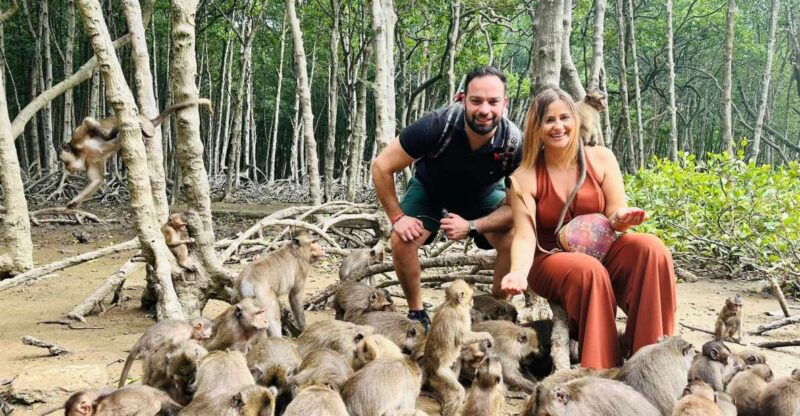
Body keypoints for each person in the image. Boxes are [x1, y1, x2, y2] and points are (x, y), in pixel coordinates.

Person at [500, 88, 676, 369]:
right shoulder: (524, 177)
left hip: (603, 251)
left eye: (564, 118)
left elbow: (615, 212)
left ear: (576, 119)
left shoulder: (603, 158)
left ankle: (652, 356)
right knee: (587, 269)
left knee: (651, 247)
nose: (558, 126)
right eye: (548, 120)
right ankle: (602, 368)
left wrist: (622, 218)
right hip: (550, 260)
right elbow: (524, 234)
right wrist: (518, 272)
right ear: (536, 127)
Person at [371, 66, 523, 329]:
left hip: (482, 196)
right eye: (476, 101)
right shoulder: (436, 126)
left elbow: (516, 208)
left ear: (504, 103)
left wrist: (473, 226)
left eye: (493, 101)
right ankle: (417, 312)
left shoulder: (514, 143)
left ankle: (497, 310)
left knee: (511, 238)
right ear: (462, 99)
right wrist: (397, 217)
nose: (484, 110)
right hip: (430, 190)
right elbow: (381, 166)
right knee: (402, 239)